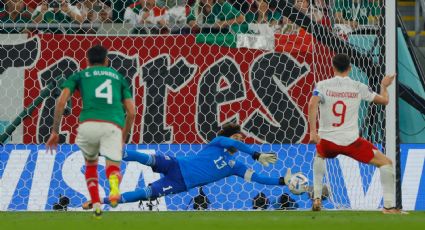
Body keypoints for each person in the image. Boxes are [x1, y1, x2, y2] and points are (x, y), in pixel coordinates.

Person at [82, 123, 299, 208]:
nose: (242, 141)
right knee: (147, 158)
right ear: (232, 136)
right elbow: (230, 142)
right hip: (177, 165)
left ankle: (97, 201)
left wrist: (282, 181)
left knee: (146, 194)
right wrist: (255, 153)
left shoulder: (235, 165)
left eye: (243, 140)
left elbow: (257, 178)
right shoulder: (218, 143)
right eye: (239, 137)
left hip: (180, 183)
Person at [46, 45, 136, 218]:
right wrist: (123, 137)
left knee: (91, 165)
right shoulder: (118, 78)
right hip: (113, 125)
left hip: (89, 125)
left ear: (87, 60)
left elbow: (61, 102)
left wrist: (55, 131)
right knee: (112, 165)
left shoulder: (80, 75)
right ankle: (114, 187)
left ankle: (96, 204)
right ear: (106, 60)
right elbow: (132, 112)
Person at [308, 53, 402, 214]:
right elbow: (384, 101)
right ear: (350, 68)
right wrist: (384, 86)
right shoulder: (358, 86)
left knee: (320, 155)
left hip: (328, 141)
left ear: (333, 67)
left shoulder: (322, 85)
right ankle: (388, 207)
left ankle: (317, 197)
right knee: (386, 163)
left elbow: (312, 104)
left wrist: (312, 132)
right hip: (351, 141)